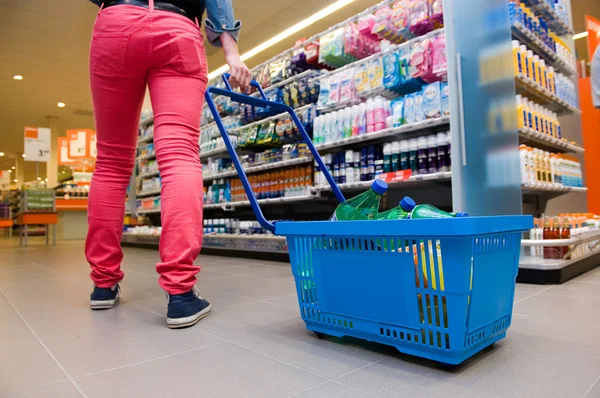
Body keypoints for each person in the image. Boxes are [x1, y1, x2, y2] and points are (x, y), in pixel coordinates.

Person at [85, 0, 251, 329]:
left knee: (111, 162)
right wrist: (231, 51)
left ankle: (103, 284)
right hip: (177, 28)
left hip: (116, 23)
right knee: (179, 156)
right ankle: (181, 294)